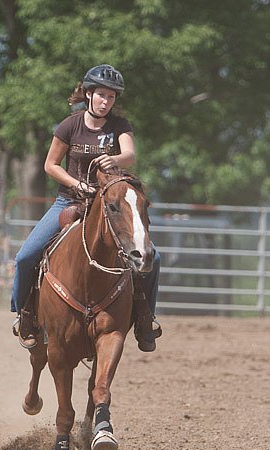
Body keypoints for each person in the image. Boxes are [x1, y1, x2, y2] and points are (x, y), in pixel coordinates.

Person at [10, 64, 161, 352]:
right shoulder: (70, 125)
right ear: (89, 94)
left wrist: (114, 160)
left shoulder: (119, 126)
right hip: (69, 202)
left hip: (107, 206)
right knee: (25, 256)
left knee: (154, 258)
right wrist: (76, 185)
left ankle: (145, 319)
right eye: (101, 95)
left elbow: (129, 154)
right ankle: (25, 315)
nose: (106, 102)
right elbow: (50, 165)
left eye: (112, 97)